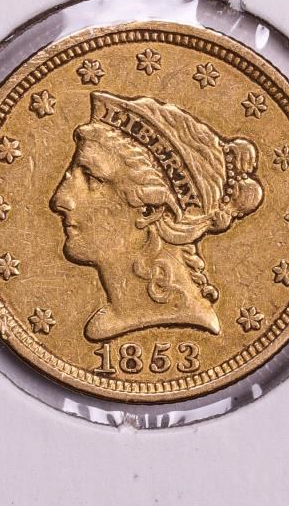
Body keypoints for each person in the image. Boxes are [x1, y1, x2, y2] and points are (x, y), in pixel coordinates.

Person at [50, 91, 263, 341]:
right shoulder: (106, 321)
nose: (59, 200)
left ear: (150, 210)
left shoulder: (183, 320)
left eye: (92, 179)